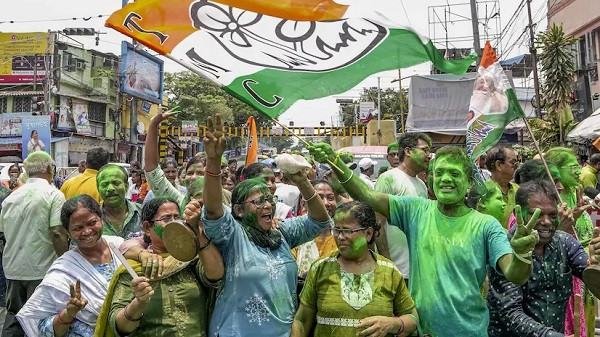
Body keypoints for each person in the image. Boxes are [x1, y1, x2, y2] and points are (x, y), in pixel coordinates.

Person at [308, 143, 541, 337]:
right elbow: (367, 196)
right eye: (439, 173)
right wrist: (335, 161)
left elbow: (515, 274)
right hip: (420, 331)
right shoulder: (415, 210)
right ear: (429, 180)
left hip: (468, 332)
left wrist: (522, 253)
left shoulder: (485, 225)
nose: (445, 179)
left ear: (469, 182)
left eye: (454, 173)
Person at [202, 114, 332, 337]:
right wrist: (213, 162)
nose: (267, 206)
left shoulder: (281, 233)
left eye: (269, 199)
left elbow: (319, 221)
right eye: (257, 201)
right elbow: (214, 209)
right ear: (239, 210)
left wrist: (303, 181)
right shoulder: (233, 236)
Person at [95, 197, 224, 336]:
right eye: (166, 219)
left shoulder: (191, 259)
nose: (174, 223)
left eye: (177, 217)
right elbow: (118, 326)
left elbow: (216, 276)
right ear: (147, 227)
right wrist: (138, 303)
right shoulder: (133, 269)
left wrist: (196, 231)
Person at [292, 201, 418, 337]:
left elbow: (413, 318)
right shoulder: (321, 268)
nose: (340, 237)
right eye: (337, 230)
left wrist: (392, 324)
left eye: (347, 231)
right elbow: (302, 320)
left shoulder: (389, 271)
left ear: (368, 233)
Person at [487, 179, 596, 337]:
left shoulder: (565, 243)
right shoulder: (504, 249)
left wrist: (596, 263)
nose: (546, 222)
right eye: (536, 214)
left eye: (552, 215)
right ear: (518, 212)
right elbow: (511, 314)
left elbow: (592, 277)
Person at [16, 195, 124, 337]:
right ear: (67, 232)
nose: (86, 231)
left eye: (92, 223)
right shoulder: (63, 271)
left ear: (101, 219)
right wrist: (69, 313)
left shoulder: (120, 247)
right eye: (78, 228)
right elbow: (41, 326)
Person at [0, 151, 69, 337]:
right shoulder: (53, 194)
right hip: (41, 270)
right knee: (40, 321)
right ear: (49, 169)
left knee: (14, 316)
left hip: (13, 268)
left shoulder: (11, 198)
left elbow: (3, 232)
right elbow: (57, 232)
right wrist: (66, 262)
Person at [545, 147, 596, 336]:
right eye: (571, 167)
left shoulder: (577, 194)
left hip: (586, 271)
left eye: (577, 166)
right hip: (565, 274)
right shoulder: (549, 203)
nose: (577, 171)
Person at [144, 110, 231, 210]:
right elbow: (152, 171)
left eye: (200, 173)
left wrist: (214, 160)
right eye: (189, 173)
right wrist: (153, 125)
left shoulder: (225, 213)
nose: (193, 178)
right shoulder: (180, 204)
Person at [374, 133, 432, 283]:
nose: (429, 155)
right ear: (408, 151)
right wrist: (386, 262)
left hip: (416, 269)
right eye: (424, 150)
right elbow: (378, 223)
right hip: (395, 269)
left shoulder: (421, 185)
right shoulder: (388, 179)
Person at [293, 180, 339, 277]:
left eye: (330, 198)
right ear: (303, 204)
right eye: (319, 198)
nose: (326, 203)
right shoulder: (295, 234)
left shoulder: (343, 233)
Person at [97, 164, 143, 239]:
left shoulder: (143, 213)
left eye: (116, 183)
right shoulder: (91, 221)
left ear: (126, 186)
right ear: (98, 189)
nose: (110, 188)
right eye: (104, 185)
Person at [485, 145, 519, 229]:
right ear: (499, 165)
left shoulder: (518, 189)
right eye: (513, 163)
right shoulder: (484, 192)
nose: (516, 166)